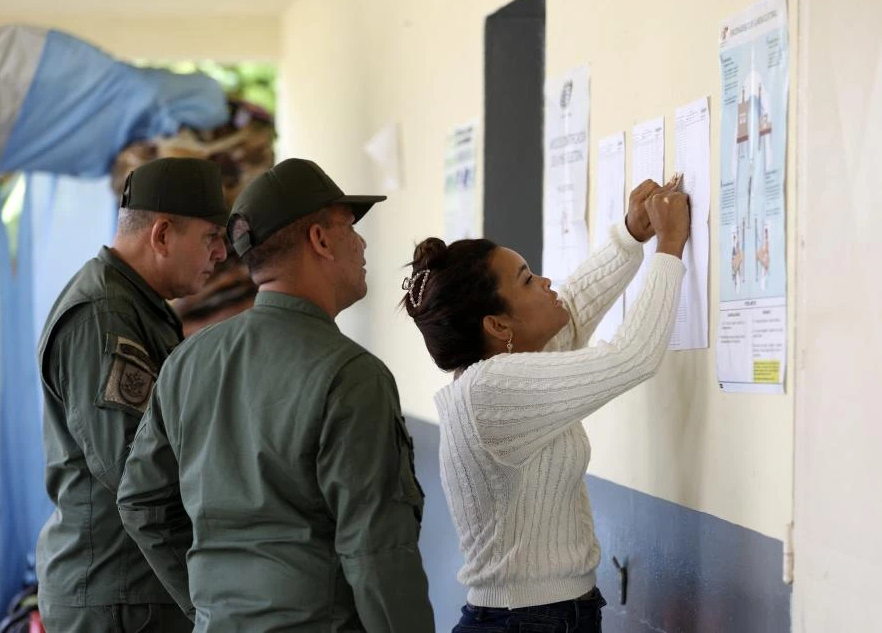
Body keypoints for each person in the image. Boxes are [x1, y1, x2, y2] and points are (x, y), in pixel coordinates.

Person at [116, 158, 435, 632]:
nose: (362, 243)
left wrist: (207, 606)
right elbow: (378, 553)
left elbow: (142, 502)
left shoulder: (187, 361)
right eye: (350, 227)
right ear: (320, 240)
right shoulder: (350, 376)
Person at [402, 176, 691, 633]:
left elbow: (569, 312)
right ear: (498, 325)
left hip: (545, 616)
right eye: (527, 280)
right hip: (523, 622)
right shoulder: (491, 391)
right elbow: (631, 358)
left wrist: (630, 233)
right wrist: (669, 247)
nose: (545, 281)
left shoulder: (500, 371)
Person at [36, 157, 229, 632]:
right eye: (211, 237)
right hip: (118, 598)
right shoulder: (105, 314)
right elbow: (137, 472)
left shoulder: (134, 305)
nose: (222, 254)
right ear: (161, 235)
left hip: (130, 590)